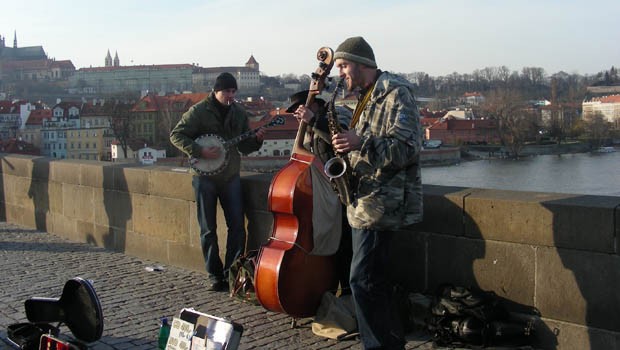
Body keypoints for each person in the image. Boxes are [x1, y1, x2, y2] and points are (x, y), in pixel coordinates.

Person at [331, 36, 423, 349]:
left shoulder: (396, 92)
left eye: (343, 65)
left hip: (382, 203)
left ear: (361, 63)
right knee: (374, 283)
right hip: (361, 202)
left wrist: (361, 144)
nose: (340, 72)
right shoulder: (363, 96)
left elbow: (408, 148)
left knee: (363, 281)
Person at [170, 72, 266, 292]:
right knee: (208, 229)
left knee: (237, 228)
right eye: (226, 91)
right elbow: (176, 135)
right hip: (204, 178)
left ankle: (231, 273)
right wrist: (200, 150)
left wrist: (257, 140)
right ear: (216, 90)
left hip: (230, 176)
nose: (230, 96)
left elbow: (244, 147)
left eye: (233, 92)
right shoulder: (198, 111)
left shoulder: (239, 113)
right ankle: (214, 275)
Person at [287, 89, 353, 295]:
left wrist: (314, 121)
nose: (298, 115)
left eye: (300, 110)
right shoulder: (308, 128)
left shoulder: (335, 114)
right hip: (326, 197)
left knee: (346, 248)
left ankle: (350, 296)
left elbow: (342, 139)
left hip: (344, 193)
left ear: (314, 105)